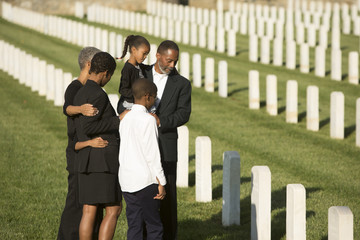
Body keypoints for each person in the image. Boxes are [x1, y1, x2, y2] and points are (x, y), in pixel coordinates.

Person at [143, 40, 192, 240]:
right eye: (169, 61)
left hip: (166, 143)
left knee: (168, 195)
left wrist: (161, 121)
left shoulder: (181, 83)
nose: (172, 66)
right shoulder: (140, 73)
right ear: (158, 55)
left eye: (175, 62)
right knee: (144, 193)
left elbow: (183, 114)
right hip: (141, 143)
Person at [58, 46, 107, 240]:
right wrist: (81, 108)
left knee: (91, 202)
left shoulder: (91, 89)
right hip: (77, 152)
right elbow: (67, 108)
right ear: (89, 65)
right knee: (76, 203)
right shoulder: (75, 87)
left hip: (91, 151)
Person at [73, 52, 122, 240]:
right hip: (101, 160)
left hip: (86, 159)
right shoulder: (97, 94)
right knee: (114, 209)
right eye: (109, 77)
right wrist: (117, 121)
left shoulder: (81, 91)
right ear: (105, 73)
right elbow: (89, 126)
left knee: (89, 210)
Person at [119, 78, 167, 240]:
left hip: (126, 179)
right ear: (147, 96)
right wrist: (161, 182)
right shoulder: (148, 120)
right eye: (154, 97)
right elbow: (152, 154)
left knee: (134, 224)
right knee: (154, 226)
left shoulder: (125, 118)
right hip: (145, 181)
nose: (155, 100)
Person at [116, 35, 150, 114]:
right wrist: (139, 96)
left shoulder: (139, 66)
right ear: (134, 50)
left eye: (147, 54)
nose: (145, 57)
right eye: (144, 53)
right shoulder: (128, 69)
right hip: (130, 105)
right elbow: (123, 89)